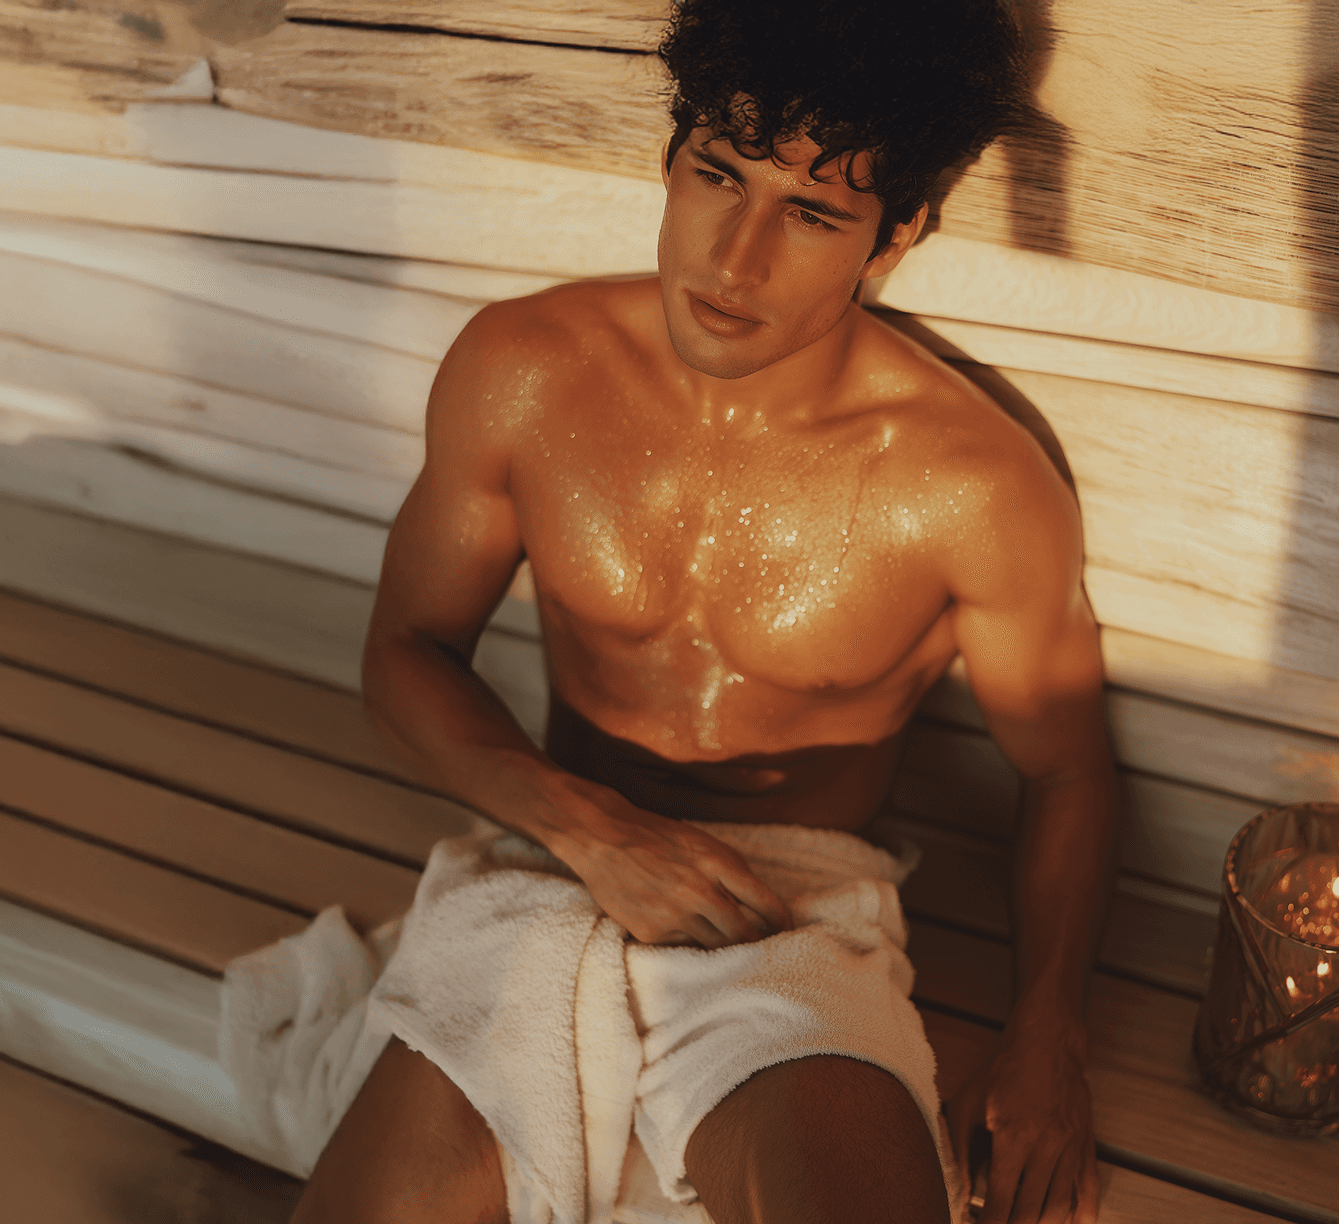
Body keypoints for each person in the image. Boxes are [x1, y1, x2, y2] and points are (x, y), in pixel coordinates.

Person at [294, 2, 1116, 1221]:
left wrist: (1048, 1031)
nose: (734, 260)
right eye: (717, 176)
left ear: (895, 238)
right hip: (547, 854)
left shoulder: (972, 487)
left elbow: (1068, 773)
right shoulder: (526, 369)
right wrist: (588, 830)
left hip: (796, 915)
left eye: (812, 213)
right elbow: (405, 652)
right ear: (671, 160)